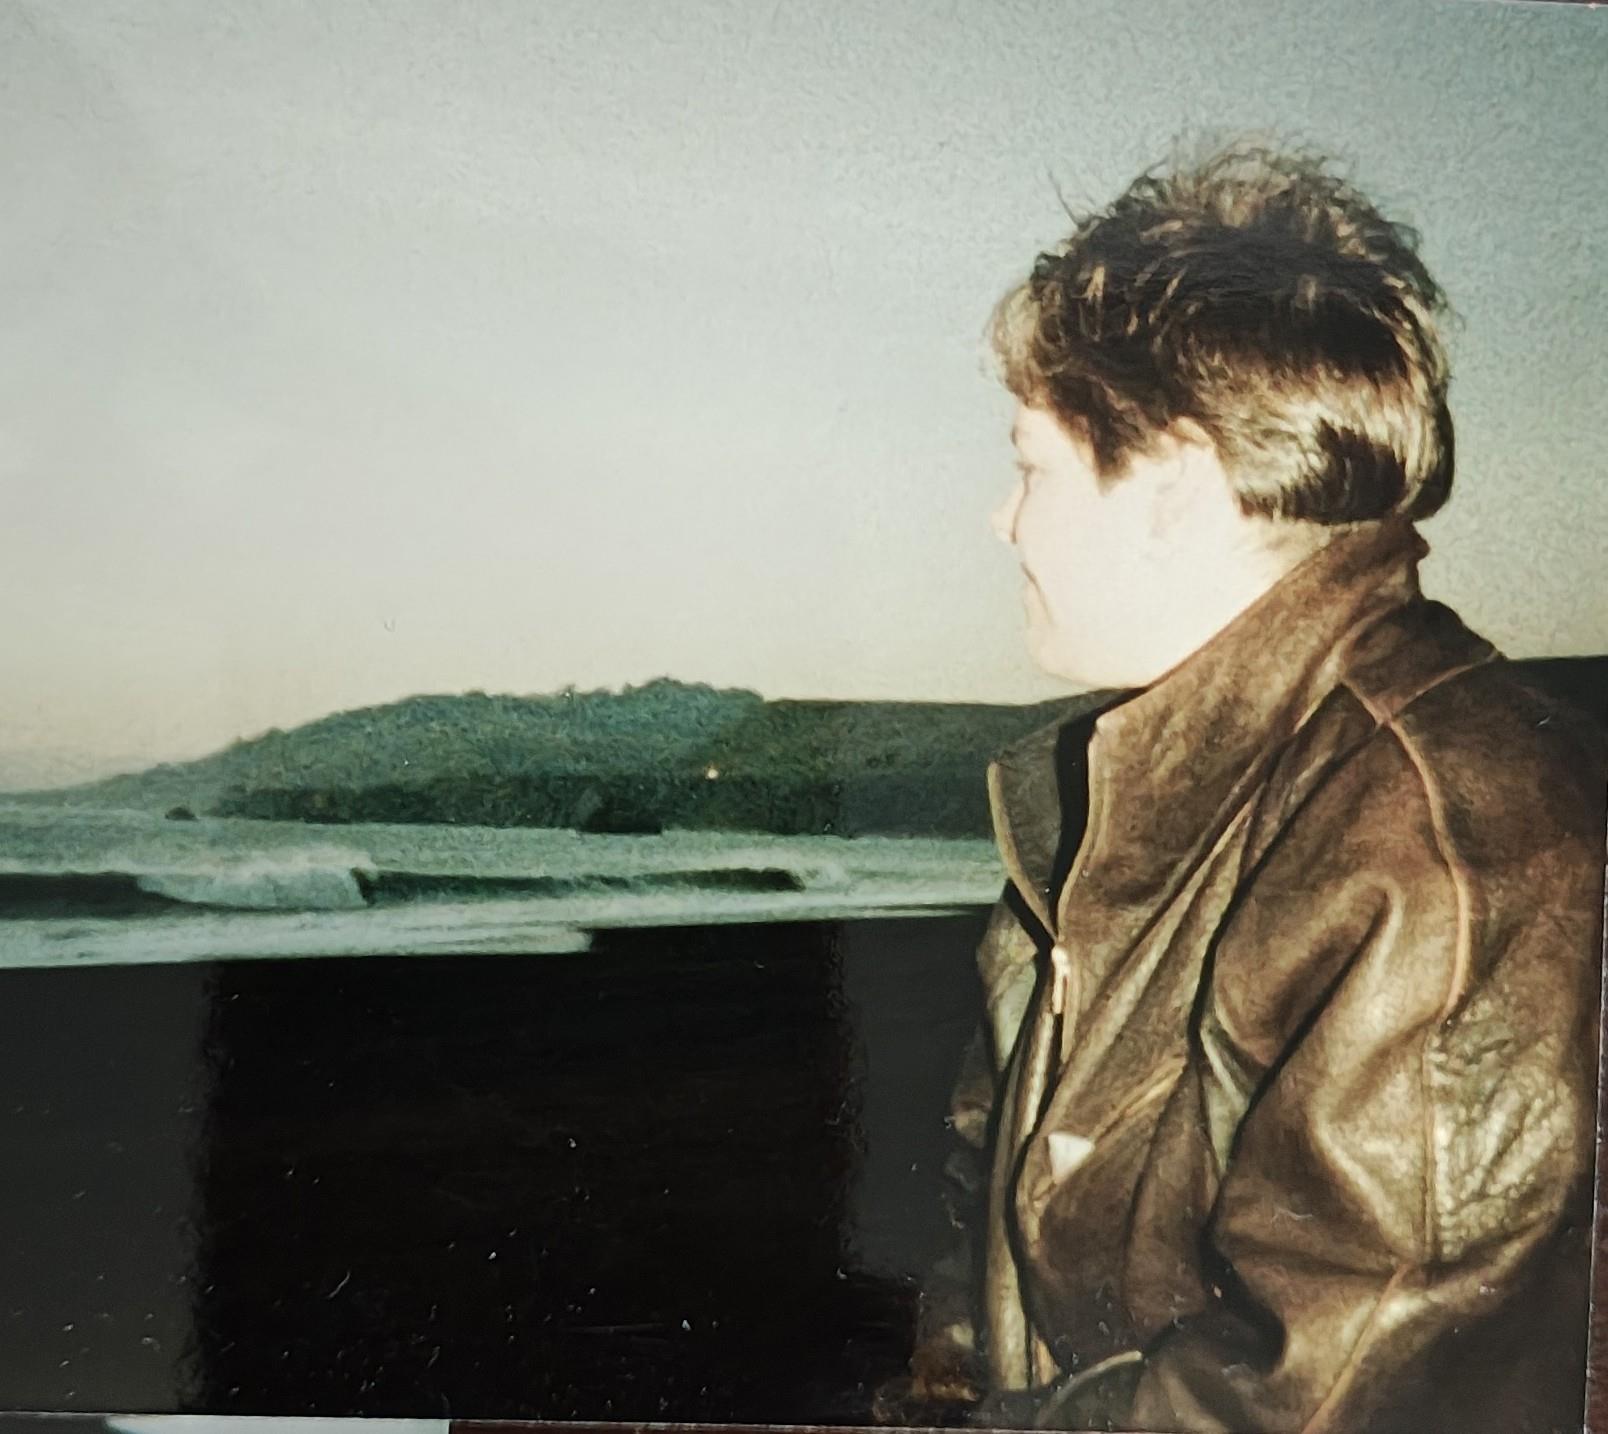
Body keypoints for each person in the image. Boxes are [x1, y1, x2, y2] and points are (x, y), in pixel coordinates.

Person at [881, 140, 1608, 1433]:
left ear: (1171, 487)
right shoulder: (1113, 799)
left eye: (1033, 465)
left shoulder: (1443, 831)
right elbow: (979, 1205)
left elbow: (1329, 1398)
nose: (1002, 519)